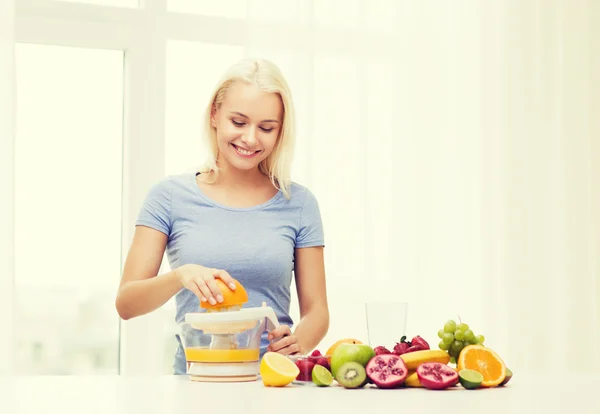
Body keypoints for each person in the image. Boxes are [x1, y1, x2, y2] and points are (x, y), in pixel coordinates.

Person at [115, 57, 330, 375]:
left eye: (266, 127)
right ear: (215, 114)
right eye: (239, 122)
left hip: (273, 381)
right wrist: (180, 276)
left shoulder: (298, 203)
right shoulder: (169, 196)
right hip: (194, 380)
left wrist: (297, 341)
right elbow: (127, 304)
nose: (251, 138)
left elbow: (318, 312)